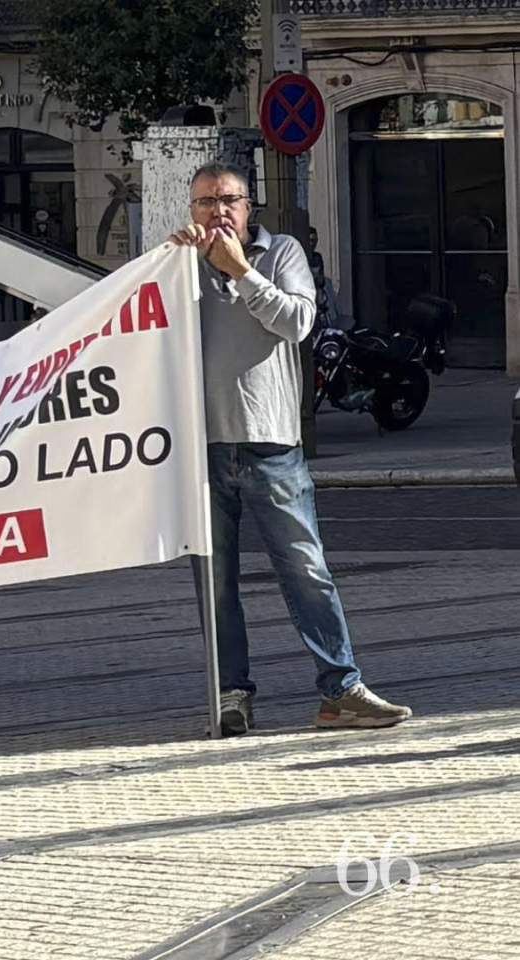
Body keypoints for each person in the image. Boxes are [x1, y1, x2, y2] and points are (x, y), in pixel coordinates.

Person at [170, 163, 412, 736]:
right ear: (191, 209)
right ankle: (230, 695)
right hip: (200, 449)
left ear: (248, 206)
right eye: (205, 202)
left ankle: (341, 690)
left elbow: (299, 322)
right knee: (215, 582)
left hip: (271, 442)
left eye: (228, 200)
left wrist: (241, 271)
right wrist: (172, 264)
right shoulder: (176, 266)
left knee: (306, 570)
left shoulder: (281, 254)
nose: (217, 211)